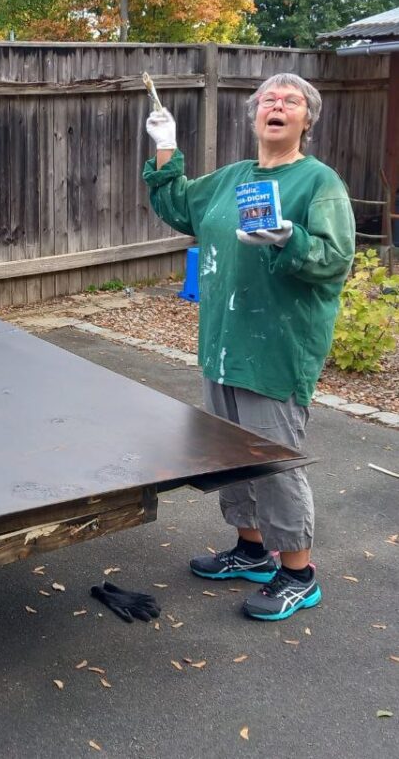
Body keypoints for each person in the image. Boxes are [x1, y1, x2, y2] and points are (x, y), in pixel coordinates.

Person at [143, 73, 355, 621]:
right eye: (268, 100)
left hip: (276, 348)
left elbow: (335, 260)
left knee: (275, 460)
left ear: (308, 119)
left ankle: (298, 573)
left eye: (291, 101)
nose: (277, 105)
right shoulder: (232, 179)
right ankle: (253, 550)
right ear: (255, 115)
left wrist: (292, 238)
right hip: (222, 344)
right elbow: (176, 204)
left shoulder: (318, 183)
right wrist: (165, 147)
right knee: (231, 452)